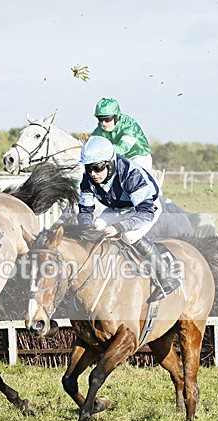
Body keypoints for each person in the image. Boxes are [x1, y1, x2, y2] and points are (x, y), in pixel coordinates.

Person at [77, 136, 177, 301]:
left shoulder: (130, 174)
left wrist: (119, 227)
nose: (93, 174)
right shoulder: (88, 179)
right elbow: (85, 210)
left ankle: (166, 277)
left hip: (146, 208)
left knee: (129, 236)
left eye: (97, 167)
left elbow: (145, 212)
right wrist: (85, 228)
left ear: (109, 163)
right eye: (88, 168)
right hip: (118, 207)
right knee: (94, 227)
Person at [91, 97, 153, 173]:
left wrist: (101, 149)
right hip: (120, 159)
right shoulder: (101, 127)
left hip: (138, 157)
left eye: (107, 119)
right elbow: (91, 143)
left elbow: (122, 148)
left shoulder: (129, 125)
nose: (103, 123)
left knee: (132, 177)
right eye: (100, 119)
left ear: (116, 116)